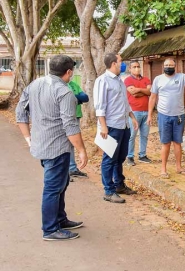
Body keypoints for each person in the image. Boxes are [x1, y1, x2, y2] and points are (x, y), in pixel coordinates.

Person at [16, 55, 88, 241]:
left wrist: (28, 138)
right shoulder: (64, 92)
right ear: (69, 72)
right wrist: (81, 151)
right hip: (57, 147)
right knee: (53, 188)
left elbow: (20, 112)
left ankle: (60, 218)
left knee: (61, 184)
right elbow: (70, 125)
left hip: (43, 144)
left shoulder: (35, 84)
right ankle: (50, 229)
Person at [93, 53, 139, 204]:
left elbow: (125, 103)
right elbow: (99, 106)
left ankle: (119, 184)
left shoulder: (120, 80)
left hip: (123, 124)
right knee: (109, 159)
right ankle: (109, 191)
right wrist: (103, 127)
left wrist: (132, 117)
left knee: (121, 157)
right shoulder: (102, 81)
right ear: (113, 63)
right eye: (121, 61)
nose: (123, 64)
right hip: (111, 126)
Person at [124, 61, 152, 166]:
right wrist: (145, 91)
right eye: (134, 67)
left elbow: (151, 92)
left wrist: (139, 90)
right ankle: (130, 156)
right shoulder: (127, 80)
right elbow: (133, 93)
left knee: (144, 135)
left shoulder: (146, 79)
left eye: (138, 67)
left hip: (146, 111)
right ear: (130, 69)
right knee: (132, 135)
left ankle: (142, 155)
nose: (137, 69)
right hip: (134, 112)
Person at [68, 78, 89, 178]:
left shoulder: (74, 84)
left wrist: (73, 97)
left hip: (76, 115)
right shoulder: (60, 85)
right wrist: (77, 98)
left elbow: (85, 97)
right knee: (67, 142)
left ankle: (72, 168)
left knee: (73, 143)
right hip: (67, 117)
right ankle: (67, 169)